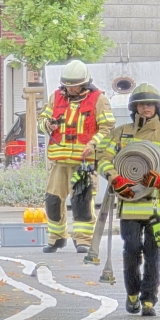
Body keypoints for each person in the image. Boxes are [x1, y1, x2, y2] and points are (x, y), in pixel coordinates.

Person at [96, 83, 160, 317]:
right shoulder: (121, 133)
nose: (145, 108)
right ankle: (132, 294)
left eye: (150, 104)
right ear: (134, 107)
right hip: (129, 203)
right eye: (141, 104)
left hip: (157, 205)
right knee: (131, 248)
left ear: (157, 107)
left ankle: (149, 300)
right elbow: (103, 157)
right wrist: (115, 178)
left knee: (153, 252)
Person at [37, 60, 115, 253]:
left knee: (82, 201)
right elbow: (42, 119)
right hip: (59, 160)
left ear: (85, 84)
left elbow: (108, 128)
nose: (70, 90)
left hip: (84, 162)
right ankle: (56, 238)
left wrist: (93, 143)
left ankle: (83, 240)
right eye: (67, 86)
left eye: (74, 86)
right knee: (53, 200)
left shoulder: (99, 100)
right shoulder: (55, 97)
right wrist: (48, 124)